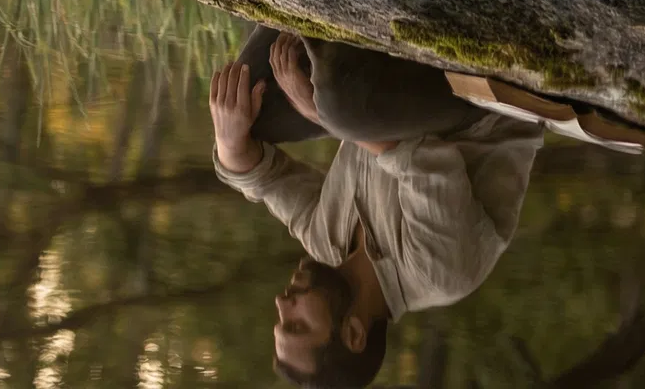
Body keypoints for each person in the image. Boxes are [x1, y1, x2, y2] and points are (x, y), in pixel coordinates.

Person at [208, 25, 544, 387]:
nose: (280, 303)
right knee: (339, 105)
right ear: (353, 333)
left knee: (247, 111)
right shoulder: (439, 275)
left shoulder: (325, 246)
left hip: (389, 99)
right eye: (297, 324)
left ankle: (312, 1)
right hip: (480, 105)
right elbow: (429, 164)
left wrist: (229, 144)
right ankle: (335, 28)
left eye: (279, 320)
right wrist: (321, 115)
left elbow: (266, 181)